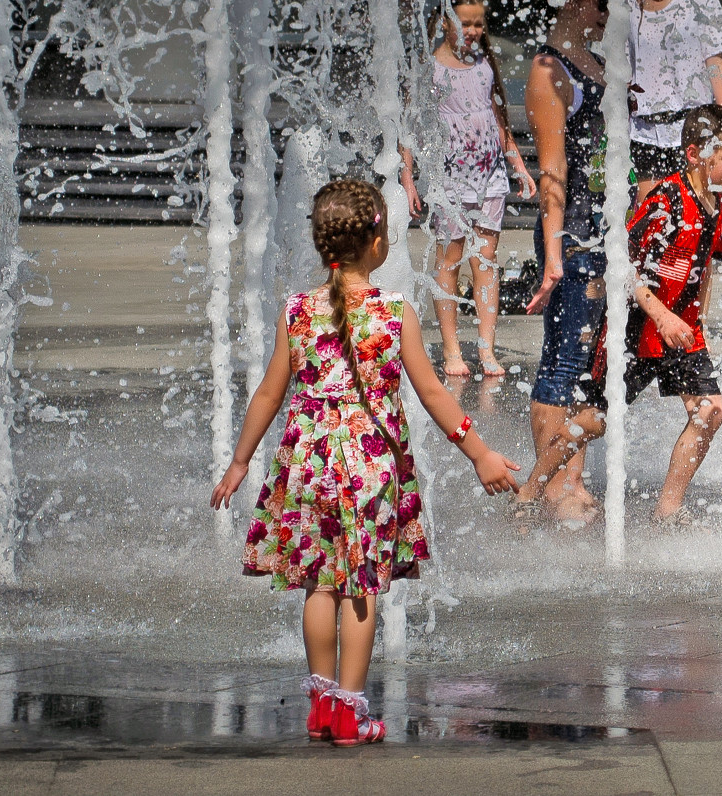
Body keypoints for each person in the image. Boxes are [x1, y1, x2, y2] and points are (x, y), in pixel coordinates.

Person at [210, 179, 520, 745]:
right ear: (378, 242)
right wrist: (480, 454)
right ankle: (350, 715)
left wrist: (238, 462)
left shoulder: (297, 310)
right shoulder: (392, 312)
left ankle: (322, 705)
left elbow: (267, 395)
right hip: (369, 468)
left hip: (307, 464)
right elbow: (433, 395)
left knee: (317, 585)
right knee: (361, 586)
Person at [615, 104, 722, 526]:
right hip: (638, 325)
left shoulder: (721, 208)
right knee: (593, 420)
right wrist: (662, 317)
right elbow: (622, 265)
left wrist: (697, 319)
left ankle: (668, 508)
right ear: (696, 154)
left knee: (710, 410)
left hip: (682, 328)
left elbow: (705, 265)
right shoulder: (665, 200)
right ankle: (532, 490)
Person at [509, 0, 609, 526]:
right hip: (571, 236)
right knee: (563, 360)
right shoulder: (550, 71)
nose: (612, 11)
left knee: (588, 362)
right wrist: (552, 252)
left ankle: (572, 475)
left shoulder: (595, 61)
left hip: (604, 233)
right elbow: (552, 169)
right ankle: (551, 487)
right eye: (604, 2)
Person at [401, 0, 536, 378]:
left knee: (486, 262)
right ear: (446, 22)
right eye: (466, 23)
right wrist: (408, 177)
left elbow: (498, 117)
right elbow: (408, 124)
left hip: (490, 175)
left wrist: (518, 164)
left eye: (479, 24)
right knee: (451, 260)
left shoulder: (482, 63)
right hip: (451, 180)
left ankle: (487, 349)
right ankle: (450, 348)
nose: (474, 31)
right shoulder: (429, 69)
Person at [628, 0, 722, 201]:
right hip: (645, 132)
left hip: (694, 130)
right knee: (650, 218)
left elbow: (715, 63)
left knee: (695, 214)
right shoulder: (629, 5)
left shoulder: (702, 3)